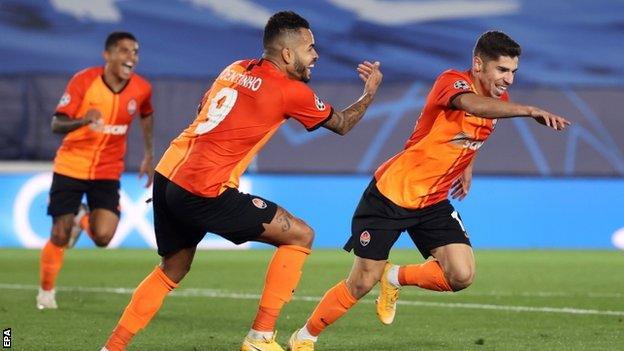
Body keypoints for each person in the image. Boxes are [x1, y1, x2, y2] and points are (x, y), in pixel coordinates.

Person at [100, 11, 382, 351]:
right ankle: (260, 337)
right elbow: (341, 123)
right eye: (310, 48)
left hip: (169, 173)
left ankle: (112, 347)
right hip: (205, 189)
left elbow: (202, 110)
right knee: (300, 235)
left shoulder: (234, 68)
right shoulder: (290, 91)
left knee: (173, 267)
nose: (316, 55)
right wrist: (369, 93)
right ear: (287, 54)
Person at [287, 30, 571, 350]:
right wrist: (530, 110)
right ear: (478, 64)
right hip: (392, 195)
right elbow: (472, 107)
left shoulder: (497, 101)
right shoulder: (451, 82)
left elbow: (468, 133)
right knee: (361, 282)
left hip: (433, 200)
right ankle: (305, 336)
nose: (508, 80)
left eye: (513, 72)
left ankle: (394, 277)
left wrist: (466, 166)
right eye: (502, 70)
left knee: (461, 275)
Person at [36, 31, 154, 310]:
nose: (131, 58)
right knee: (60, 234)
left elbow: (146, 114)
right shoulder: (84, 81)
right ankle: (46, 291)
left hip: (107, 171)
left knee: (103, 237)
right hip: (71, 165)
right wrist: (83, 121)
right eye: (125, 51)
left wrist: (149, 153)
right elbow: (56, 124)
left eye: (135, 52)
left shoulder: (142, 88)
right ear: (108, 55)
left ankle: (83, 217)